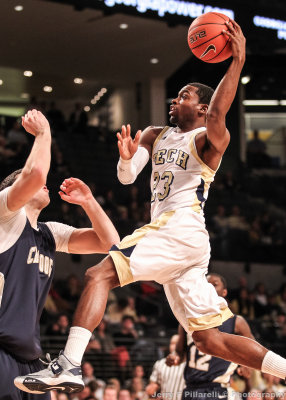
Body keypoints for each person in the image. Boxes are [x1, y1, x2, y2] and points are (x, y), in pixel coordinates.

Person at [16, 20, 286, 395]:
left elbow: (220, 115)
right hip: (181, 242)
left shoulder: (208, 139)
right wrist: (127, 159)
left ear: (203, 107)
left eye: (184, 96)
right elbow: (127, 178)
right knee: (209, 339)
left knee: (99, 274)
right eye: (175, 96)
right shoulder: (153, 134)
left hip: (180, 226)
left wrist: (237, 61)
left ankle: (69, 365)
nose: (175, 100)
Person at [0, 109, 119, 399]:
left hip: (30, 358)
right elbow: (35, 172)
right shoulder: (4, 214)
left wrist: (89, 202)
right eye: (31, 184)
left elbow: (110, 243)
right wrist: (43, 133)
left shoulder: (49, 232)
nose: (44, 183)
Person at [166, 273, 254, 400]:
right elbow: (180, 352)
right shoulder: (187, 320)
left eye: (215, 284)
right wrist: (175, 357)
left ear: (224, 292)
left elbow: (253, 349)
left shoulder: (236, 322)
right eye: (206, 285)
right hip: (190, 389)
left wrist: (245, 365)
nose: (210, 287)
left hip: (216, 389)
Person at [145, 334, 186, 400]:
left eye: (177, 343)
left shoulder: (189, 364)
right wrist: (152, 389)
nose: (174, 346)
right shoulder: (160, 363)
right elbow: (153, 385)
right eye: (172, 343)